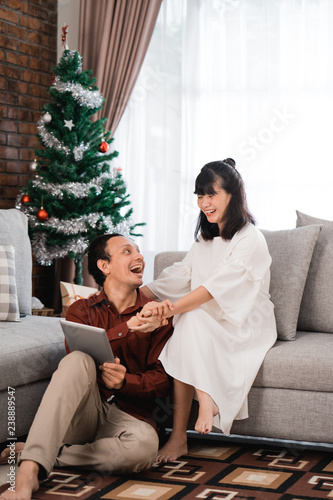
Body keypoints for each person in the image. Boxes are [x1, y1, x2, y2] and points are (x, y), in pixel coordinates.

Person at [0, 234, 173, 500]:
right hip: (85, 413)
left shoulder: (157, 315)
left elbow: (163, 381)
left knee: (143, 450)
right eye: (128, 251)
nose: (139, 256)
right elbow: (75, 368)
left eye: (139, 251)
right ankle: (28, 472)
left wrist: (127, 382)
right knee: (76, 360)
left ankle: (45, 452)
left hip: (129, 418)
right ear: (104, 266)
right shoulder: (81, 310)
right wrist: (126, 329)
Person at [139, 158, 277, 462]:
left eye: (211, 194)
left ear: (233, 195)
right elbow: (181, 274)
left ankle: (180, 436)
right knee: (189, 318)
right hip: (207, 316)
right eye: (200, 195)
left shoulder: (250, 239)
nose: (204, 203)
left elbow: (214, 289)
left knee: (187, 315)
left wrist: (167, 310)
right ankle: (206, 400)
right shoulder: (205, 238)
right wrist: (138, 294)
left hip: (245, 321)